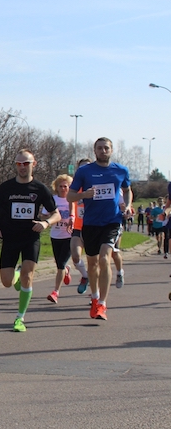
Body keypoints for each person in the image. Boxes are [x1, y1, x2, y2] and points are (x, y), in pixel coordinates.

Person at [0, 149, 60, 332]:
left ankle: (20, 318)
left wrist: (45, 223)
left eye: (26, 163)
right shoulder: (6, 187)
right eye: (19, 164)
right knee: (6, 282)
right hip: (10, 237)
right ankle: (18, 274)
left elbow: (56, 214)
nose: (22, 167)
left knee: (29, 276)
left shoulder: (40, 188)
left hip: (30, 237)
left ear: (33, 164)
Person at [67, 137, 132, 321]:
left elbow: (128, 190)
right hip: (90, 223)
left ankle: (103, 303)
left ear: (111, 150)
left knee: (104, 258)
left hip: (112, 221)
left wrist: (127, 206)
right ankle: (95, 298)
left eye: (106, 148)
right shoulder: (84, 171)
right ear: (94, 151)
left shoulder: (121, 170)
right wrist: (84, 194)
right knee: (93, 263)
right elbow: (70, 196)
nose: (103, 151)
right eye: (100, 148)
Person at [46, 174, 75, 304]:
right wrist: (48, 218)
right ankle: (66, 270)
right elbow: (44, 214)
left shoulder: (72, 200)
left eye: (65, 186)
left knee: (60, 264)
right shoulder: (53, 200)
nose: (63, 189)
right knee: (59, 264)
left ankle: (55, 292)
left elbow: (76, 214)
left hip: (69, 236)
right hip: (55, 235)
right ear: (56, 187)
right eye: (60, 186)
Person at [69, 158, 92, 295]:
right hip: (78, 227)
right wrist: (71, 217)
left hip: (94, 227)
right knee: (76, 256)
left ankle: (96, 295)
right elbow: (70, 202)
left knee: (94, 262)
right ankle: (85, 275)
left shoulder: (95, 186)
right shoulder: (75, 187)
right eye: (81, 168)